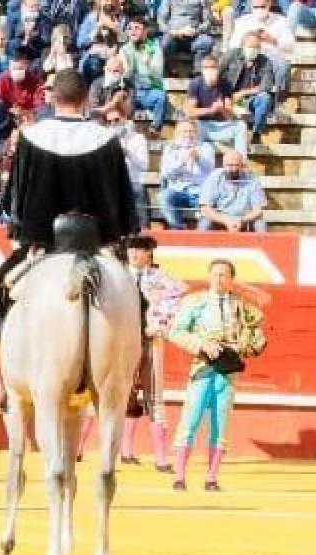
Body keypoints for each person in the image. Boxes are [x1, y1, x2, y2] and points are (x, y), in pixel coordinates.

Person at [3, 69, 137, 248]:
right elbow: (122, 198)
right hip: (96, 240)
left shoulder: (30, 137)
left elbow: (15, 195)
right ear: (85, 98)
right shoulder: (106, 139)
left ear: (54, 98)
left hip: (41, 239)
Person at [168, 259, 266, 491]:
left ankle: (212, 478)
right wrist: (202, 344)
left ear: (231, 279)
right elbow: (176, 332)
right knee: (190, 421)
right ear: (209, 277)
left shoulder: (241, 306)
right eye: (215, 275)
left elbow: (257, 334)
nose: (219, 279)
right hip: (202, 367)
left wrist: (247, 346)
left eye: (224, 275)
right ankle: (179, 476)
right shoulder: (195, 302)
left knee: (221, 425)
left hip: (228, 371)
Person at [121, 235, 187, 471]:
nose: (133, 254)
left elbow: (178, 301)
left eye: (138, 250)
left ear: (149, 253)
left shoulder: (164, 280)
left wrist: (157, 325)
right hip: (120, 344)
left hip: (150, 340)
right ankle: (118, 451)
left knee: (154, 396)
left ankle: (161, 458)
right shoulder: (117, 276)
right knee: (118, 394)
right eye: (130, 250)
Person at [229, 0, 294, 102]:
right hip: (250, 57)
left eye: (262, 6)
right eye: (255, 7)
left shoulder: (281, 21)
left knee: (284, 65)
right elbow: (233, 45)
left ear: (269, 4)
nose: (259, 9)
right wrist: (248, 39)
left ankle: (277, 101)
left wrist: (273, 40)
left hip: (272, 58)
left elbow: (291, 46)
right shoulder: (243, 21)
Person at [186, 54, 249, 156]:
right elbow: (190, 112)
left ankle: (241, 162)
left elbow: (230, 116)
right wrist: (211, 110)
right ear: (202, 69)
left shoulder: (226, 84)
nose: (209, 70)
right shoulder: (195, 84)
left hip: (221, 126)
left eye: (212, 67)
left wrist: (222, 109)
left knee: (241, 126)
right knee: (191, 125)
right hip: (202, 126)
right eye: (206, 67)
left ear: (218, 68)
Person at [220, 31, 276, 144]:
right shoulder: (231, 55)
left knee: (265, 98)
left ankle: (256, 133)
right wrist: (226, 96)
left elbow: (266, 85)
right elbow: (217, 75)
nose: (253, 50)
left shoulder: (265, 62)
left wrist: (243, 93)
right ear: (243, 45)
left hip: (250, 100)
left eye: (257, 47)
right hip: (229, 98)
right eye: (250, 46)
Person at [160, 120, 217, 229]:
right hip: (177, 189)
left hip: (199, 190)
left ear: (196, 133)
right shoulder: (170, 148)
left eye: (191, 131)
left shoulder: (205, 147)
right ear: (177, 133)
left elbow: (210, 169)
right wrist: (182, 161)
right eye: (184, 131)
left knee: (208, 205)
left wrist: (199, 158)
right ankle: (179, 228)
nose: (188, 134)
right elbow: (165, 173)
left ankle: (202, 233)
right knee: (163, 196)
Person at [198, 150, 268, 232]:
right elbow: (205, 209)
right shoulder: (214, 177)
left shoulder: (252, 179)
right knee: (205, 224)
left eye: (237, 165)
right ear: (223, 165)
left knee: (260, 224)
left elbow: (258, 210)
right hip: (219, 218)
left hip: (244, 219)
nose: (234, 169)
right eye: (230, 165)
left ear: (242, 165)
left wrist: (241, 220)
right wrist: (226, 221)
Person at [120, 17, 166, 136]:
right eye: (130, 28)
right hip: (131, 90)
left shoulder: (155, 47)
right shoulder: (125, 49)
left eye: (137, 28)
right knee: (122, 96)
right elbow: (125, 73)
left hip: (149, 91)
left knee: (160, 97)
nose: (133, 31)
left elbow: (157, 73)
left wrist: (147, 63)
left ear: (145, 31)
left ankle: (155, 128)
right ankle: (125, 129)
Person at [105, 107, 149, 229]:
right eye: (109, 121)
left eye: (116, 120)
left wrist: (128, 153)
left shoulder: (138, 138)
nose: (113, 124)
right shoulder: (104, 139)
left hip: (132, 180)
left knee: (138, 190)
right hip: (112, 182)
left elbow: (144, 165)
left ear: (124, 119)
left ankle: (143, 230)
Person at [158, 0, 216, 72]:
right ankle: (171, 68)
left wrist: (196, 31)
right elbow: (161, 21)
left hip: (194, 37)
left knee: (207, 42)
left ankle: (198, 71)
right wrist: (175, 32)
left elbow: (207, 22)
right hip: (174, 37)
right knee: (165, 43)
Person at [0, 50, 47, 123]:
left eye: (20, 68)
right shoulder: (2, 79)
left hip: (30, 116)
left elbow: (40, 102)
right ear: (9, 67)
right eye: (14, 68)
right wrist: (8, 110)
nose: (17, 71)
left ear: (26, 66)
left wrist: (27, 113)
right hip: (8, 115)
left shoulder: (35, 79)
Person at [88, 54, 134, 120]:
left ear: (123, 71)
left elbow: (130, 112)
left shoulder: (129, 86)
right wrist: (113, 103)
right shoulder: (96, 85)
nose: (112, 73)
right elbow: (93, 112)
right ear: (104, 68)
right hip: (100, 123)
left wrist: (121, 103)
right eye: (109, 70)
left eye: (116, 71)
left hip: (121, 122)